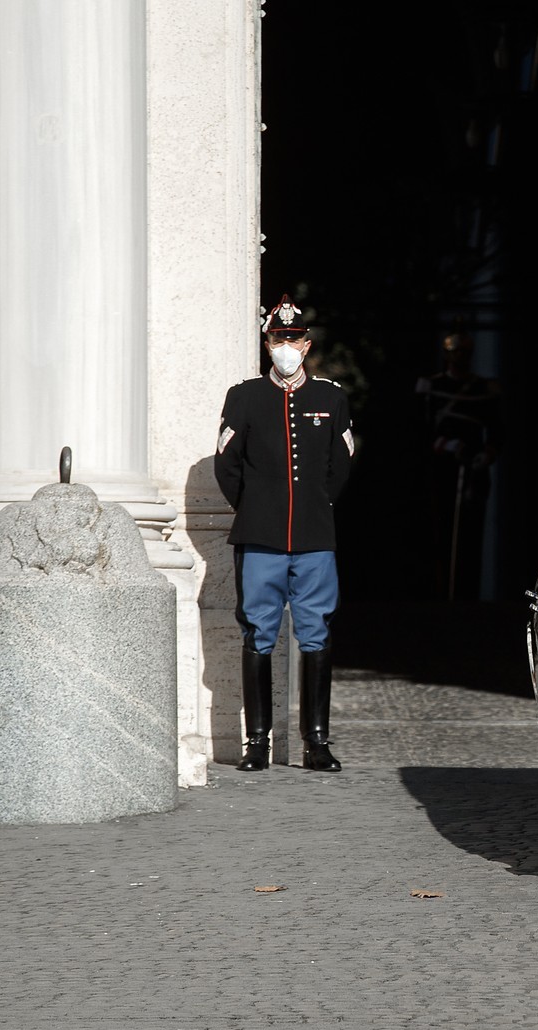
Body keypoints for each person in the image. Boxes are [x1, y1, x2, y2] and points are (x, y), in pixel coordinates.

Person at [216, 294, 355, 772]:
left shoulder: (330, 397)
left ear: (307, 343)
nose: (286, 344)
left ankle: (316, 741)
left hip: (314, 537)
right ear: (267, 342)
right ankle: (258, 742)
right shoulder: (244, 397)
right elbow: (226, 465)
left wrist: (318, 506)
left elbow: (341, 466)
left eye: (293, 337)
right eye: (279, 337)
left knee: (315, 634)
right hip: (260, 535)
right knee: (259, 633)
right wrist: (256, 509)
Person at [415, 330, 499, 598]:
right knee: (439, 530)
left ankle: (467, 595)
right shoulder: (431, 386)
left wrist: (488, 452)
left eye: (464, 352)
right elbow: (419, 428)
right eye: (456, 352)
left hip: (473, 468)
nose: (460, 357)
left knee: (470, 533)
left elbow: (497, 428)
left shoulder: (484, 388)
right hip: (442, 468)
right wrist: (446, 445)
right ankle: (438, 593)